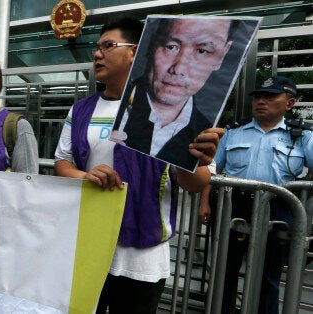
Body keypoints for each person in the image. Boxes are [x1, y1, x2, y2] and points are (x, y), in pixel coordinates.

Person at [54, 17, 222, 313]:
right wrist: (86, 175)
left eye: (108, 46)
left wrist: (195, 160)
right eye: (97, 47)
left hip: (141, 253)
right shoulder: (81, 109)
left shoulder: (174, 106)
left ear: (135, 52)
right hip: (88, 243)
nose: (97, 54)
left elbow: (195, 184)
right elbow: (62, 163)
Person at [199, 76, 309, 314]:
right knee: (223, 272)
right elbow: (212, 169)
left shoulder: (301, 135)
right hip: (233, 206)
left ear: (289, 104)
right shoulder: (233, 132)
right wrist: (204, 202)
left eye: (269, 97)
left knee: (268, 276)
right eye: (258, 97)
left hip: (279, 209)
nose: (260, 101)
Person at [112, 18, 234, 170]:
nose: (179, 69)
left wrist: (199, 165)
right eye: (171, 47)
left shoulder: (204, 133)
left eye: (202, 51)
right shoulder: (113, 107)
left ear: (222, 55)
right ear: (151, 44)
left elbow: (195, 186)